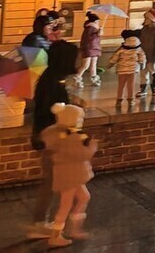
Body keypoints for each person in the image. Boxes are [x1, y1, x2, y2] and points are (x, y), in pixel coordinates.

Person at [25, 40, 80, 241]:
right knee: (55, 184)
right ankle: (49, 228)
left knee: (51, 183)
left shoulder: (50, 79)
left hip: (47, 137)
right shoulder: (55, 84)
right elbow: (58, 114)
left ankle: (41, 223)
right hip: (54, 140)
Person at [41, 103, 98, 248]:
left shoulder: (60, 133)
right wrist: (92, 147)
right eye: (79, 118)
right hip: (70, 174)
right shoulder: (70, 136)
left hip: (72, 173)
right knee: (65, 204)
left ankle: (74, 228)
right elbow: (81, 154)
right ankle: (55, 236)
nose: (81, 121)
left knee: (84, 197)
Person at [108, 30, 147, 107]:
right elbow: (142, 57)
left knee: (121, 85)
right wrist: (142, 65)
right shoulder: (138, 48)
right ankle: (131, 100)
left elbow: (115, 57)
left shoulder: (122, 48)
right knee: (130, 85)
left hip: (121, 69)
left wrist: (110, 64)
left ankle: (119, 100)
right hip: (133, 70)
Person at [138, 8, 155, 97]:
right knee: (143, 73)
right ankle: (143, 89)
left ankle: (154, 88)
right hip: (143, 56)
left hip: (152, 56)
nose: (145, 20)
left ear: (151, 19)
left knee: (153, 72)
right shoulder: (144, 29)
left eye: (146, 18)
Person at [73, 12, 102, 88]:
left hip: (94, 48)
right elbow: (89, 39)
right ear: (94, 21)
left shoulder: (93, 28)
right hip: (89, 48)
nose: (99, 22)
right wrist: (98, 33)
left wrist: (98, 33)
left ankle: (94, 78)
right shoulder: (90, 28)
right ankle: (77, 77)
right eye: (98, 21)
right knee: (86, 65)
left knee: (93, 64)